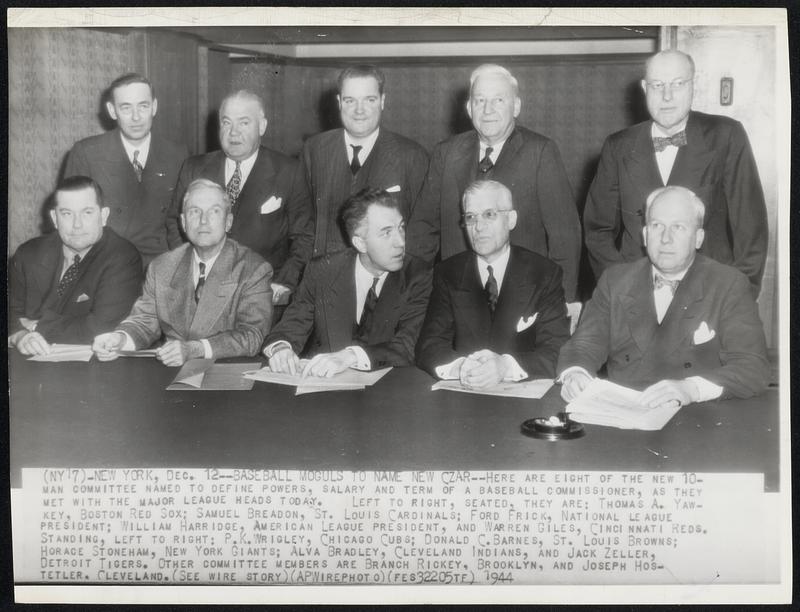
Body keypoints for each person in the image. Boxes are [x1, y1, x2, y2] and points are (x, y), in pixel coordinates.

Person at [558, 186, 769, 408]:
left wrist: (692, 388)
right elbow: (583, 345)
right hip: (621, 415)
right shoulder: (615, 280)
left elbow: (753, 367)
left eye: (678, 227)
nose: (666, 238)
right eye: (657, 226)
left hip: (696, 419)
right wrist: (575, 373)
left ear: (698, 238)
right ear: (645, 234)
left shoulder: (728, 284)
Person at [583, 49, 768, 295]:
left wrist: (739, 299)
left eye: (677, 84)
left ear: (694, 86)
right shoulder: (618, 146)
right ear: (644, 88)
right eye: (657, 85)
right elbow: (597, 230)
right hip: (636, 297)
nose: (667, 96)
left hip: (708, 294)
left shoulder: (727, 136)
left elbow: (751, 231)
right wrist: (619, 288)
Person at [406, 63, 581, 316]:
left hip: (525, 299)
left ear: (516, 106)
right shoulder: (446, 153)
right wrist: (413, 295)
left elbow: (565, 236)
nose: (488, 110)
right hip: (459, 301)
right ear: (469, 108)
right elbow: (422, 231)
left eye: (499, 100)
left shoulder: (540, 152)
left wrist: (561, 301)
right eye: (480, 101)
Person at [92, 179, 273, 366]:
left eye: (214, 211)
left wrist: (195, 349)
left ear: (228, 222)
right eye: (195, 211)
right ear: (184, 223)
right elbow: (145, 321)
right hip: (169, 373)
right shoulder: (162, 266)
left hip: (225, 375)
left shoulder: (253, 269)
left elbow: (252, 336)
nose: (203, 220)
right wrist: (119, 339)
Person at [415, 180, 570, 388]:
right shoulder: (448, 273)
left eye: (489, 215)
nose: (479, 227)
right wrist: (460, 367)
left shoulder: (543, 274)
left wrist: (505, 366)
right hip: (462, 398)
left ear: (511, 219)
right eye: (470, 217)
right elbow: (429, 346)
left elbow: (557, 351)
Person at [263, 188, 432, 377]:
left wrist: (350, 356)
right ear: (360, 243)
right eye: (386, 233)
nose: (400, 242)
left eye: (401, 227)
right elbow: (292, 325)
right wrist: (281, 349)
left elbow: (408, 345)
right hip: (326, 392)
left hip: (388, 394)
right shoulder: (323, 271)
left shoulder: (419, 274)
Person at [171, 90, 314, 306]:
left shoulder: (289, 171)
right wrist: (189, 275)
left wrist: (284, 282)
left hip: (263, 292)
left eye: (244, 123)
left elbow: (304, 236)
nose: (233, 133)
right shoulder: (194, 167)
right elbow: (175, 223)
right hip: (201, 292)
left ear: (262, 126)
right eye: (226, 123)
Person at [300, 64, 429, 257]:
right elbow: (304, 225)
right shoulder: (314, 149)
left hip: (386, 280)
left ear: (382, 101)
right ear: (339, 102)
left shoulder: (412, 155)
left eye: (369, 100)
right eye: (350, 100)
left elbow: (422, 233)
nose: (359, 110)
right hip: (324, 275)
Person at [9, 176, 143, 355]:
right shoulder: (29, 253)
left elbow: (100, 328)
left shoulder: (123, 256)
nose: (77, 224)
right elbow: (9, 313)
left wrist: (34, 326)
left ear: (103, 216)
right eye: (67, 214)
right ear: (54, 218)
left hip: (93, 368)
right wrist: (19, 336)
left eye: (87, 212)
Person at [64, 73, 188, 266]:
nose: (136, 117)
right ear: (112, 111)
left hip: (162, 263)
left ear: (154, 107)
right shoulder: (86, 153)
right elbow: (72, 220)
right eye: (126, 107)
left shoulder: (178, 154)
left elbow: (183, 220)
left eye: (143, 106)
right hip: (107, 262)